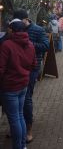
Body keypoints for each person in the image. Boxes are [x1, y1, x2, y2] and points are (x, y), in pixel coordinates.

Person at [13, 9, 49, 143]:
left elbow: (45, 46)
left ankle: (28, 129)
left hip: (32, 67)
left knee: (26, 97)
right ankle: (17, 127)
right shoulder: (14, 28)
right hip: (17, 66)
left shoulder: (38, 30)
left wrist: (28, 44)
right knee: (16, 97)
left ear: (26, 19)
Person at [0, 19, 37, 149]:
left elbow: (1, 68)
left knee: (14, 118)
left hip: (10, 87)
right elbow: (33, 65)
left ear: (12, 30)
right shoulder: (31, 44)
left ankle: (18, 146)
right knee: (20, 115)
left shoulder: (7, 45)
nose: (7, 30)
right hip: (23, 85)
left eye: (9, 28)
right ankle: (22, 146)